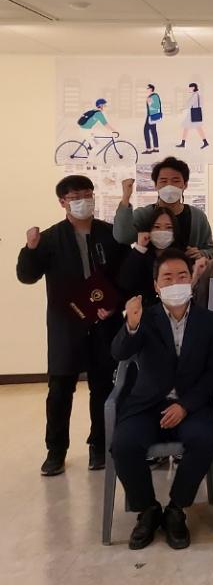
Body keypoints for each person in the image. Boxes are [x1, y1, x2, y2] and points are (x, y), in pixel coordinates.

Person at [110, 249, 213, 549]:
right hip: (147, 405)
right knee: (123, 444)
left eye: (182, 276)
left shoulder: (210, 321)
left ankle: (176, 509)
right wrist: (131, 325)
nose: (176, 283)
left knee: (205, 439)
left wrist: (185, 406)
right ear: (156, 286)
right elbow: (119, 353)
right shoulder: (144, 317)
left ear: (192, 280)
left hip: (190, 405)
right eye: (167, 278)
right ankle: (147, 509)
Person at [17, 174, 126, 475]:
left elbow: (124, 275)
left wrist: (115, 305)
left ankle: (99, 446)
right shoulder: (50, 238)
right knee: (60, 389)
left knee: (103, 386)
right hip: (66, 324)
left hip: (104, 322)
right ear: (62, 202)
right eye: (75, 197)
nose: (83, 201)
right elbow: (27, 276)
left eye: (87, 195)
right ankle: (56, 451)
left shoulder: (110, 233)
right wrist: (30, 248)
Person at [114, 156, 213, 259]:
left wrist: (202, 254)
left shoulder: (197, 217)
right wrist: (126, 197)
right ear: (156, 185)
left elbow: (212, 252)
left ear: (185, 185)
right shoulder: (144, 214)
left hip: (186, 269)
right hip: (150, 269)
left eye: (175, 181)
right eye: (163, 181)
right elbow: (123, 237)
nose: (169, 186)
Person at [117, 206, 187, 307]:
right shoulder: (140, 253)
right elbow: (124, 283)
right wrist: (140, 247)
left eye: (168, 227)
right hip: (144, 311)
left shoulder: (181, 256)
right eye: (157, 227)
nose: (162, 231)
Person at [176, 82, 208, 149]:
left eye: (190, 88)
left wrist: (182, 109)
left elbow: (189, 104)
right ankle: (205, 142)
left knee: (189, 127)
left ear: (193, 88)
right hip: (195, 113)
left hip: (193, 113)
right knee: (194, 128)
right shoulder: (198, 94)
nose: (189, 89)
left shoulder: (195, 95)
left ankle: (183, 143)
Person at [142, 84, 162, 155]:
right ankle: (156, 148)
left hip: (151, 116)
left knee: (146, 131)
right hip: (152, 116)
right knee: (153, 131)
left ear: (151, 89)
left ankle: (148, 149)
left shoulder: (154, 96)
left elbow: (156, 106)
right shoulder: (152, 96)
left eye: (147, 88)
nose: (147, 89)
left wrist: (149, 102)